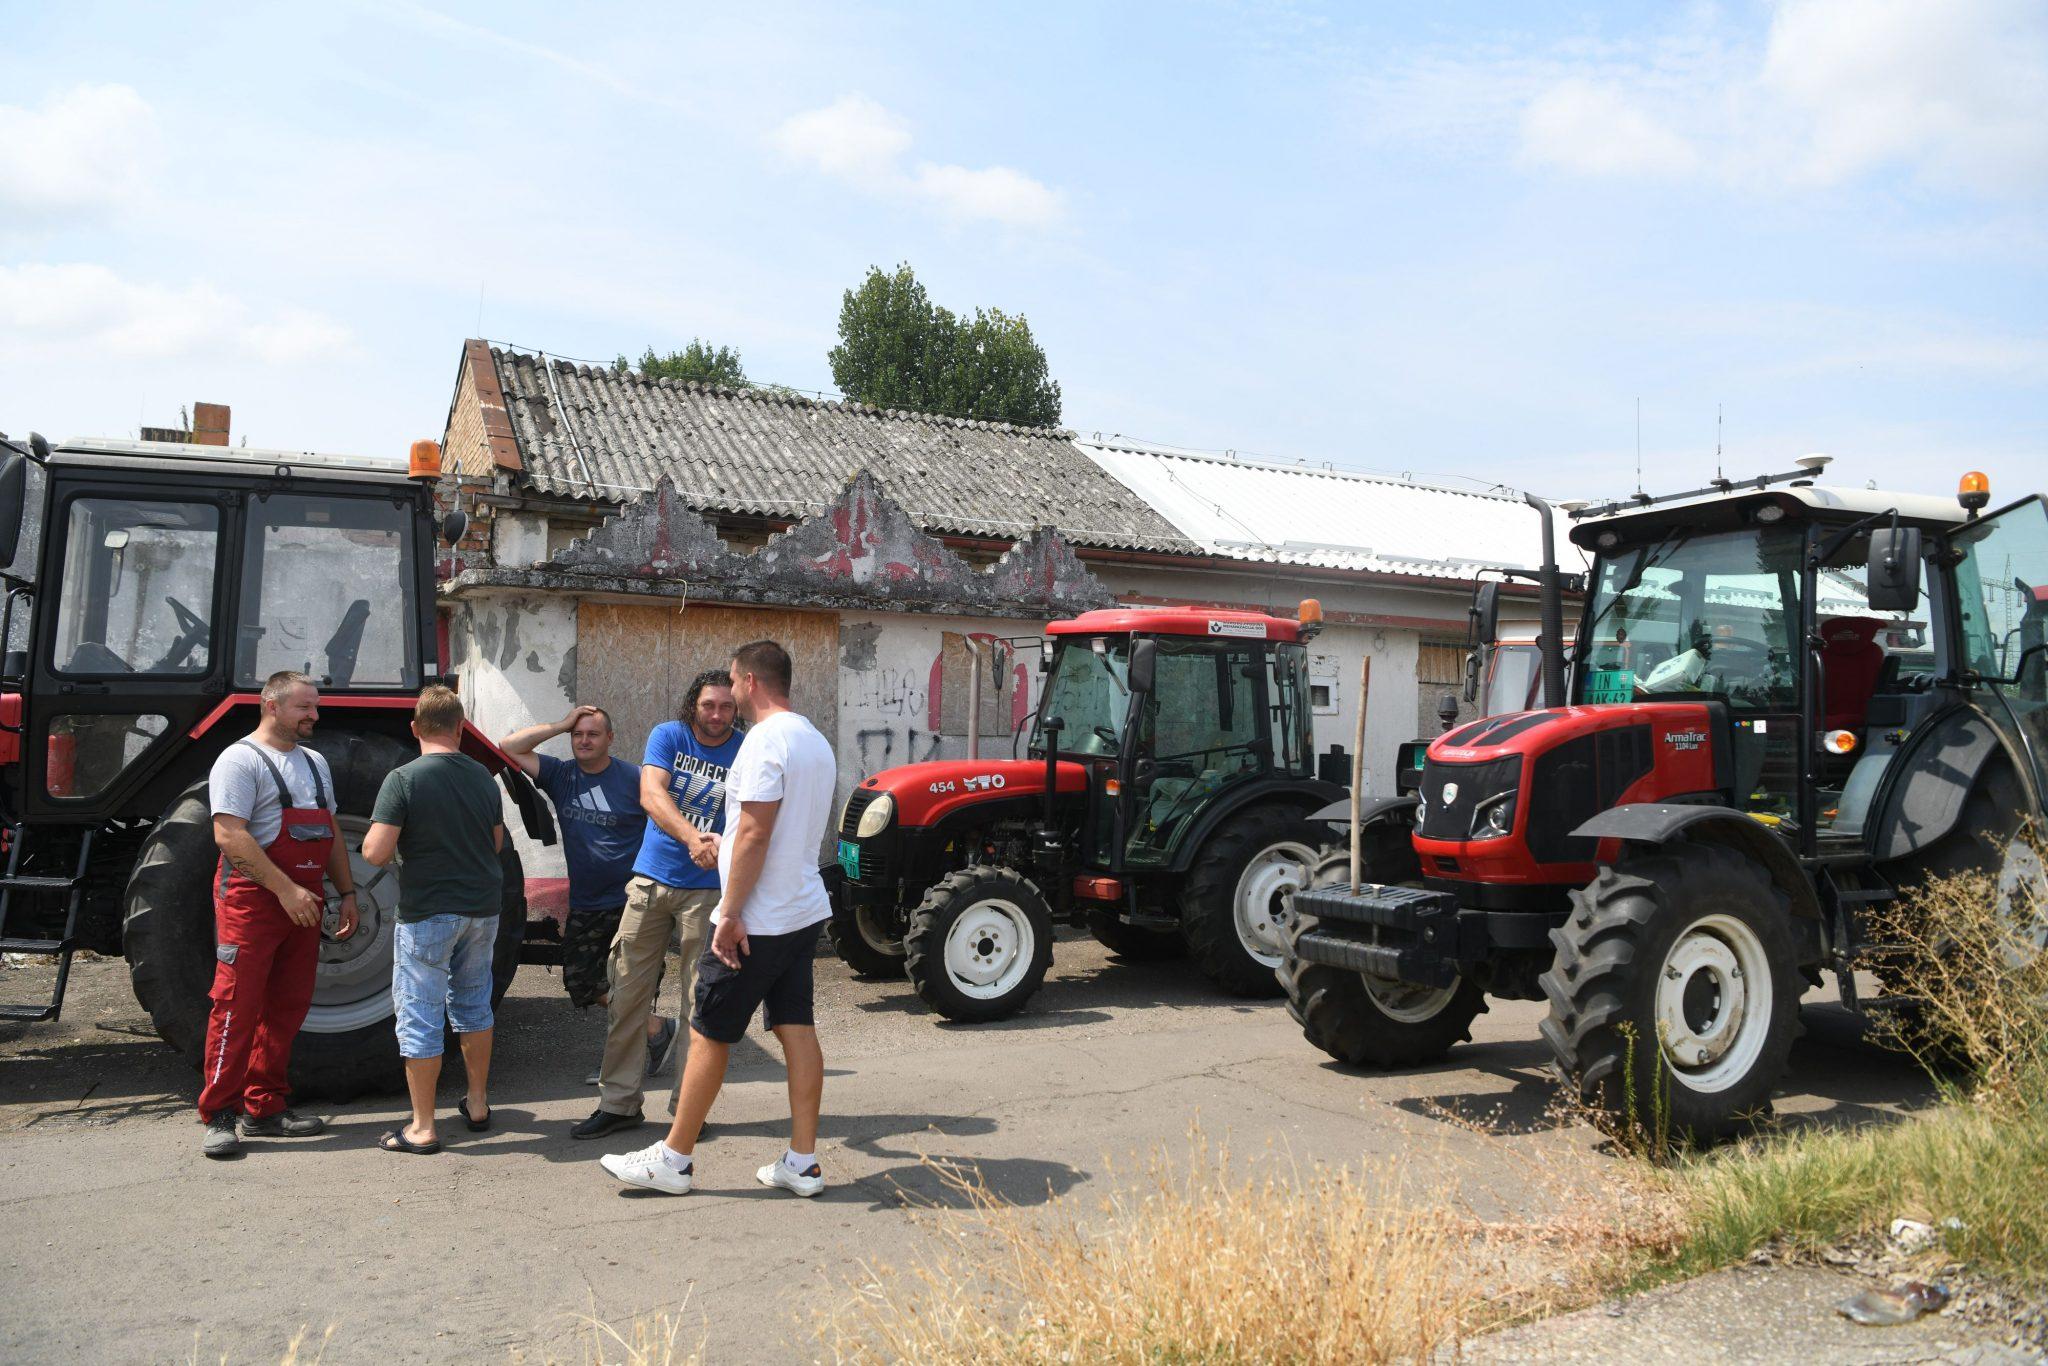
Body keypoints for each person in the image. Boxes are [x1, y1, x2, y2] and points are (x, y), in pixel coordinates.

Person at [601, 641, 838, 1197]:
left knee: (708, 1027)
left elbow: (755, 832)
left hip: (760, 917)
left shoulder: (761, 742)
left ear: (750, 681)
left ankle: (674, 1159)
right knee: (795, 1027)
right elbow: (771, 831)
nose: (729, 694)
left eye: (732, 683)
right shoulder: (813, 740)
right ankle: (801, 1162)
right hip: (801, 909)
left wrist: (729, 913)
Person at [571, 670, 744, 1141]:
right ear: (694, 704)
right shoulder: (669, 735)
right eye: (709, 704)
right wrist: (693, 838)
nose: (716, 715)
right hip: (651, 883)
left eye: (726, 706)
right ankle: (619, 1104)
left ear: (737, 708)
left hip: (710, 893)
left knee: (698, 1005)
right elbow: (651, 793)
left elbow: (754, 817)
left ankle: (688, 1111)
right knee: (625, 993)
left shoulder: (746, 748)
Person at [197, 671, 358, 1159]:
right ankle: (219, 1114)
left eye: (315, 707)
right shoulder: (239, 760)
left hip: (305, 900)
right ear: (272, 706)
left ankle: (264, 1107)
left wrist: (347, 892)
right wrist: (285, 890)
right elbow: (229, 834)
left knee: (286, 1008)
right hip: (252, 900)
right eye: (304, 707)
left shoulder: (314, 763)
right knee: (236, 1005)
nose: (314, 715)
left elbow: (326, 827)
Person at [363, 686, 505, 1155]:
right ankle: (479, 1104)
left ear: (415, 728)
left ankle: (423, 1127)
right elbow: (497, 844)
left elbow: (376, 851)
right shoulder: (484, 778)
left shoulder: (403, 779)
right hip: (483, 911)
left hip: (429, 912)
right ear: (461, 728)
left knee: (420, 1013)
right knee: (473, 1004)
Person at [498, 705, 664, 1076]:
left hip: (630, 901)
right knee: (581, 981)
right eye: (577, 734)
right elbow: (510, 747)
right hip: (587, 902)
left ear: (610, 739)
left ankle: (627, 1065)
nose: (583, 740)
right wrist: (559, 724)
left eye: (592, 733)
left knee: (633, 981)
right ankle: (655, 1030)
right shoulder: (561, 775)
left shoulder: (634, 778)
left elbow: (664, 826)